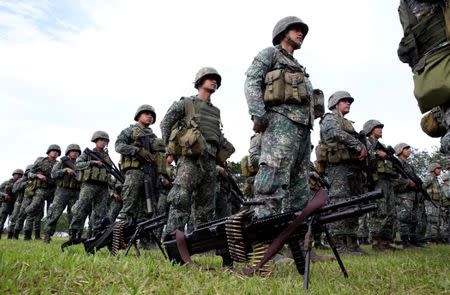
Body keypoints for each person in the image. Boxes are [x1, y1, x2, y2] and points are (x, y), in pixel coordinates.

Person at [244, 16, 317, 219]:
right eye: (296, 29)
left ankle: (299, 247)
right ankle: (266, 245)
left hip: (302, 128)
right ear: (283, 32)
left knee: (300, 188)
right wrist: (259, 114)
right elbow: (251, 82)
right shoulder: (270, 54)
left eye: (302, 30)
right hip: (280, 123)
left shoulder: (299, 66)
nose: (301, 33)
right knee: (272, 181)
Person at [160, 67, 234, 240]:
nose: (214, 81)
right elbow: (165, 123)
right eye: (209, 78)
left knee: (206, 205)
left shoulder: (215, 111)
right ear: (200, 82)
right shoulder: (186, 103)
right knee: (180, 198)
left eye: (216, 79)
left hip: (210, 161)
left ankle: (201, 245)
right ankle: (172, 241)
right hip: (190, 159)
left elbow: (215, 136)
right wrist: (172, 150)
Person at [317, 91, 367, 254]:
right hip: (337, 167)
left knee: (354, 201)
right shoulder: (329, 118)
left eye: (349, 101)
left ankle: (352, 241)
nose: (348, 103)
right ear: (335, 104)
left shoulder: (347, 123)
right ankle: (338, 242)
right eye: (344, 101)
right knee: (339, 201)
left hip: (352, 167)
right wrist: (358, 145)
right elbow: (334, 133)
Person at [115, 104, 159, 223]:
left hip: (150, 174)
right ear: (138, 116)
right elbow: (118, 146)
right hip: (134, 172)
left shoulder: (153, 136)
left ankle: (145, 240)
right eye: (146, 114)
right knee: (129, 205)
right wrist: (137, 150)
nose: (149, 116)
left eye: (152, 115)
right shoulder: (129, 131)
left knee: (148, 209)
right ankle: (118, 237)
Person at [68, 131, 114, 241]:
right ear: (95, 141)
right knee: (81, 208)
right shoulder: (87, 154)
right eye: (101, 140)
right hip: (89, 185)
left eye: (105, 141)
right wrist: (92, 162)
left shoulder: (106, 156)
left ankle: (95, 236)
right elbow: (77, 165)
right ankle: (74, 234)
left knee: (100, 212)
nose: (103, 142)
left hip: (103, 186)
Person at [363, 120, 400, 251]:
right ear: (370, 129)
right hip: (375, 181)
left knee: (390, 212)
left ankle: (386, 241)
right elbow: (363, 156)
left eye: (380, 127)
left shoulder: (382, 146)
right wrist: (375, 153)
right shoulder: (365, 142)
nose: (380, 129)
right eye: (377, 127)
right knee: (379, 210)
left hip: (387, 181)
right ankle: (376, 241)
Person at [43, 144, 81, 243]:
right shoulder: (61, 163)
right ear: (68, 152)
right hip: (62, 191)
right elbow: (53, 174)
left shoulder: (80, 164)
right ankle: (47, 235)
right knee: (55, 213)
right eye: (73, 151)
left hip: (76, 191)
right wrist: (64, 170)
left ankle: (73, 237)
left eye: (77, 151)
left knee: (74, 214)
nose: (75, 153)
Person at [23, 144, 60, 240]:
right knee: (33, 209)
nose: (55, 152)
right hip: (41, 189)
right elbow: (28, 173)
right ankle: (27, 234)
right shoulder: (41, 161)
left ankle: (47, 234)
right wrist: (37, 175)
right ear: (49, 152)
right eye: (53, 151)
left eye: (57, 151)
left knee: (51, 212)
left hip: (53, 190)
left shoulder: (59, 164)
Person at [393, 143, 422, 248]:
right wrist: (407, 183)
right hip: (402, 195)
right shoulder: (396, 163)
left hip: (412, 195)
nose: (409, 151)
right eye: (406, 149)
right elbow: (395, 178)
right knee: (404, 218)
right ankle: (404, 241)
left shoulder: (408, 165)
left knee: (413, 218)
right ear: (400, 150)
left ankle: (412, 240)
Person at [423, 162, 444, 243]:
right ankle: (430, 239)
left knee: (436, 220)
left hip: (435, 203)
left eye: (440, 169)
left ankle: (434, 238)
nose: (440, 170)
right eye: (438, 169)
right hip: (430, 202)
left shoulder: (435, 179)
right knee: (432, 220)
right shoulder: (430, 177)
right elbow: (423, 186)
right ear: (433, 169)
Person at [0, 169, 24, 238]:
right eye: (17, 174)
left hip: (15, 205)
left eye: (20, 175)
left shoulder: (21, 185)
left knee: (13, 221)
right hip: (5, 204)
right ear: (13, 175)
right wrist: (3, 194)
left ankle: (10, 236)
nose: (18, 176)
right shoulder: (6, 183)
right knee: (1, 220)